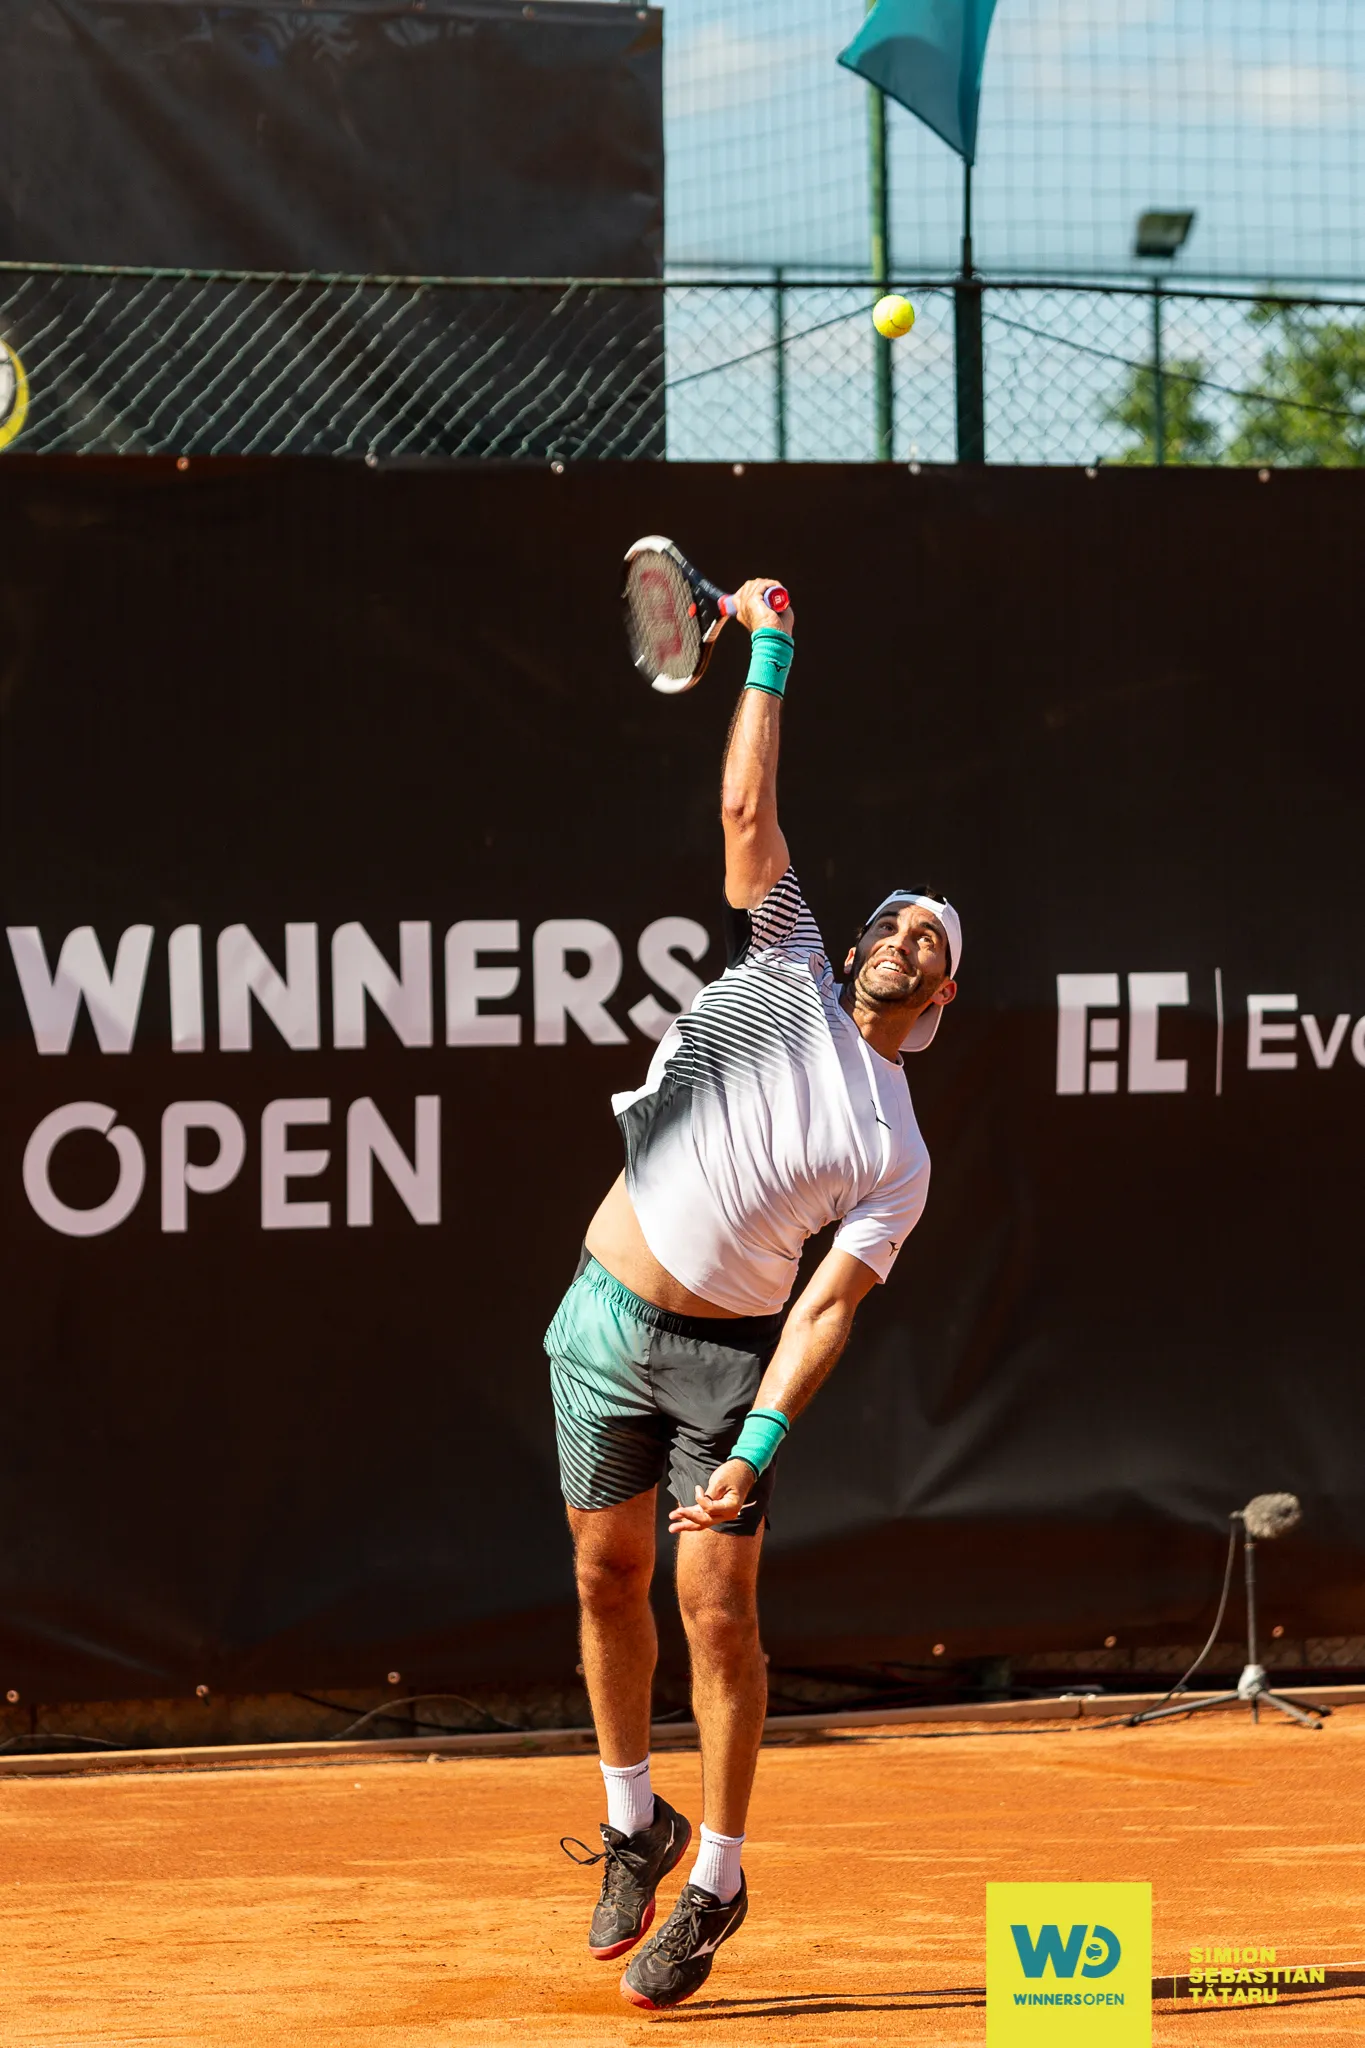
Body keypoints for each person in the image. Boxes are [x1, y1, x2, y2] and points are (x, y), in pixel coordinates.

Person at [547, 581, 962, 2011]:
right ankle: (633, 1826)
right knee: (604, 1579)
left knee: (715, 1610)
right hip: (603, 1319)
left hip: (728, 1366)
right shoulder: (782, 957)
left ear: (940, 999)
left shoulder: (897, 1154)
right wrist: (769, 652)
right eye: (895, 920)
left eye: (933, 942)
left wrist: (760, 1443)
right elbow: (744, 811)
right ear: (855, 945)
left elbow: (826, 1308)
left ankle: (717, 1878)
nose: (905, 937)